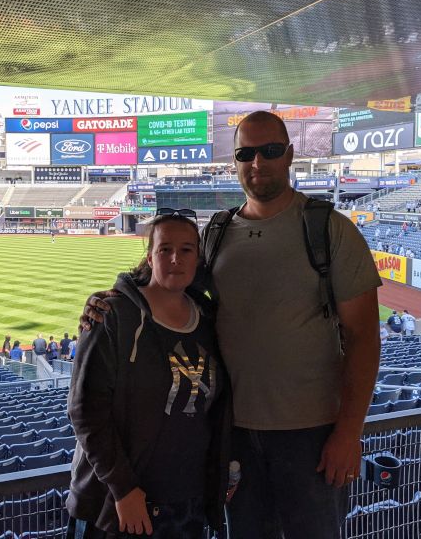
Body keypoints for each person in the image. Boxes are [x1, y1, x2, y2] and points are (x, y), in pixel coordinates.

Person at [80, 111, 381, 539]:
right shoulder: (218, 232)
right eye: (246, 153)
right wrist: (111, 294)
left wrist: (349, 433)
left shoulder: (329, 229)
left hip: (310, 436)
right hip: (231, 434)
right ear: (235, 161)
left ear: (290, 155)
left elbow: (364, 337)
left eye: (270, 151)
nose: (257, 163)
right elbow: (169, 274)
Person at [67, 212, 230, 538]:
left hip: (188, 505)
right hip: (118, 507)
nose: (175, 258)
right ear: (149, 256)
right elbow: (85, 410)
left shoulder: (211, 322)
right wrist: (123, 489)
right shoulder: (113, 315)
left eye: (186, 250)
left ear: (198, 259)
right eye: (164, 249)